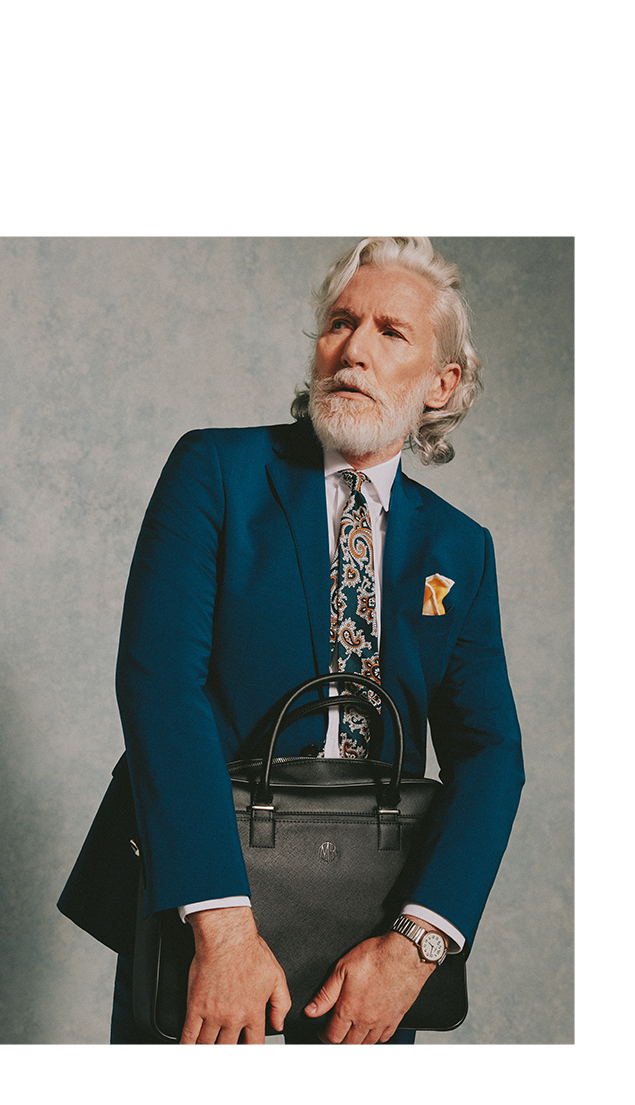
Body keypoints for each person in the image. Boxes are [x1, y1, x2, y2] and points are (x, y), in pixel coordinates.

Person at [110, 237, 525, 1045]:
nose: (353, 349)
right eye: (339, 322)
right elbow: (160, 687)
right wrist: (222, 929)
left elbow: (491, 753)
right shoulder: (217, 471)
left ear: (442, 382)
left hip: (373, 940)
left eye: (390, 332)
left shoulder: (459, 549)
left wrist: (415, 948)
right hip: (212, 913)